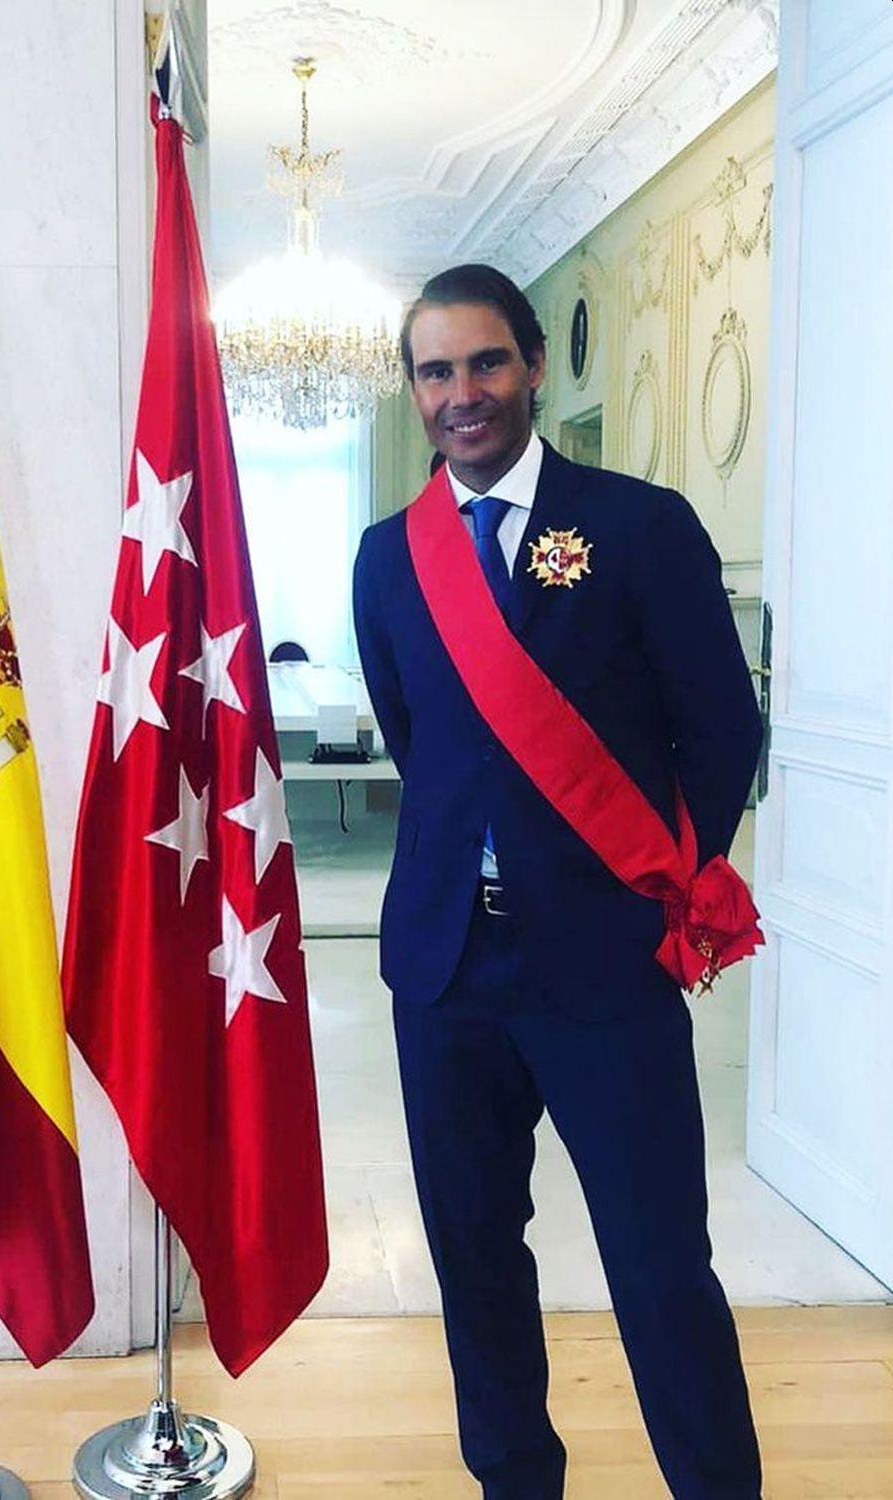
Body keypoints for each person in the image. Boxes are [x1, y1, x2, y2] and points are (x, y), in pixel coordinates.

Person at [352, 262, 764, 1499]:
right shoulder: (387, 556)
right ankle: (513, 1485)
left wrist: (659, 884)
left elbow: (720, 730)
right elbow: (420, 744)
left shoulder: (640, 525)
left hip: (604, 969)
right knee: (475, 1259)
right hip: (446, 970)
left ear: (534, 366)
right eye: (436, 371)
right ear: (413, 389)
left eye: (485, 363)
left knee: (656, 1265)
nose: (462, 394)